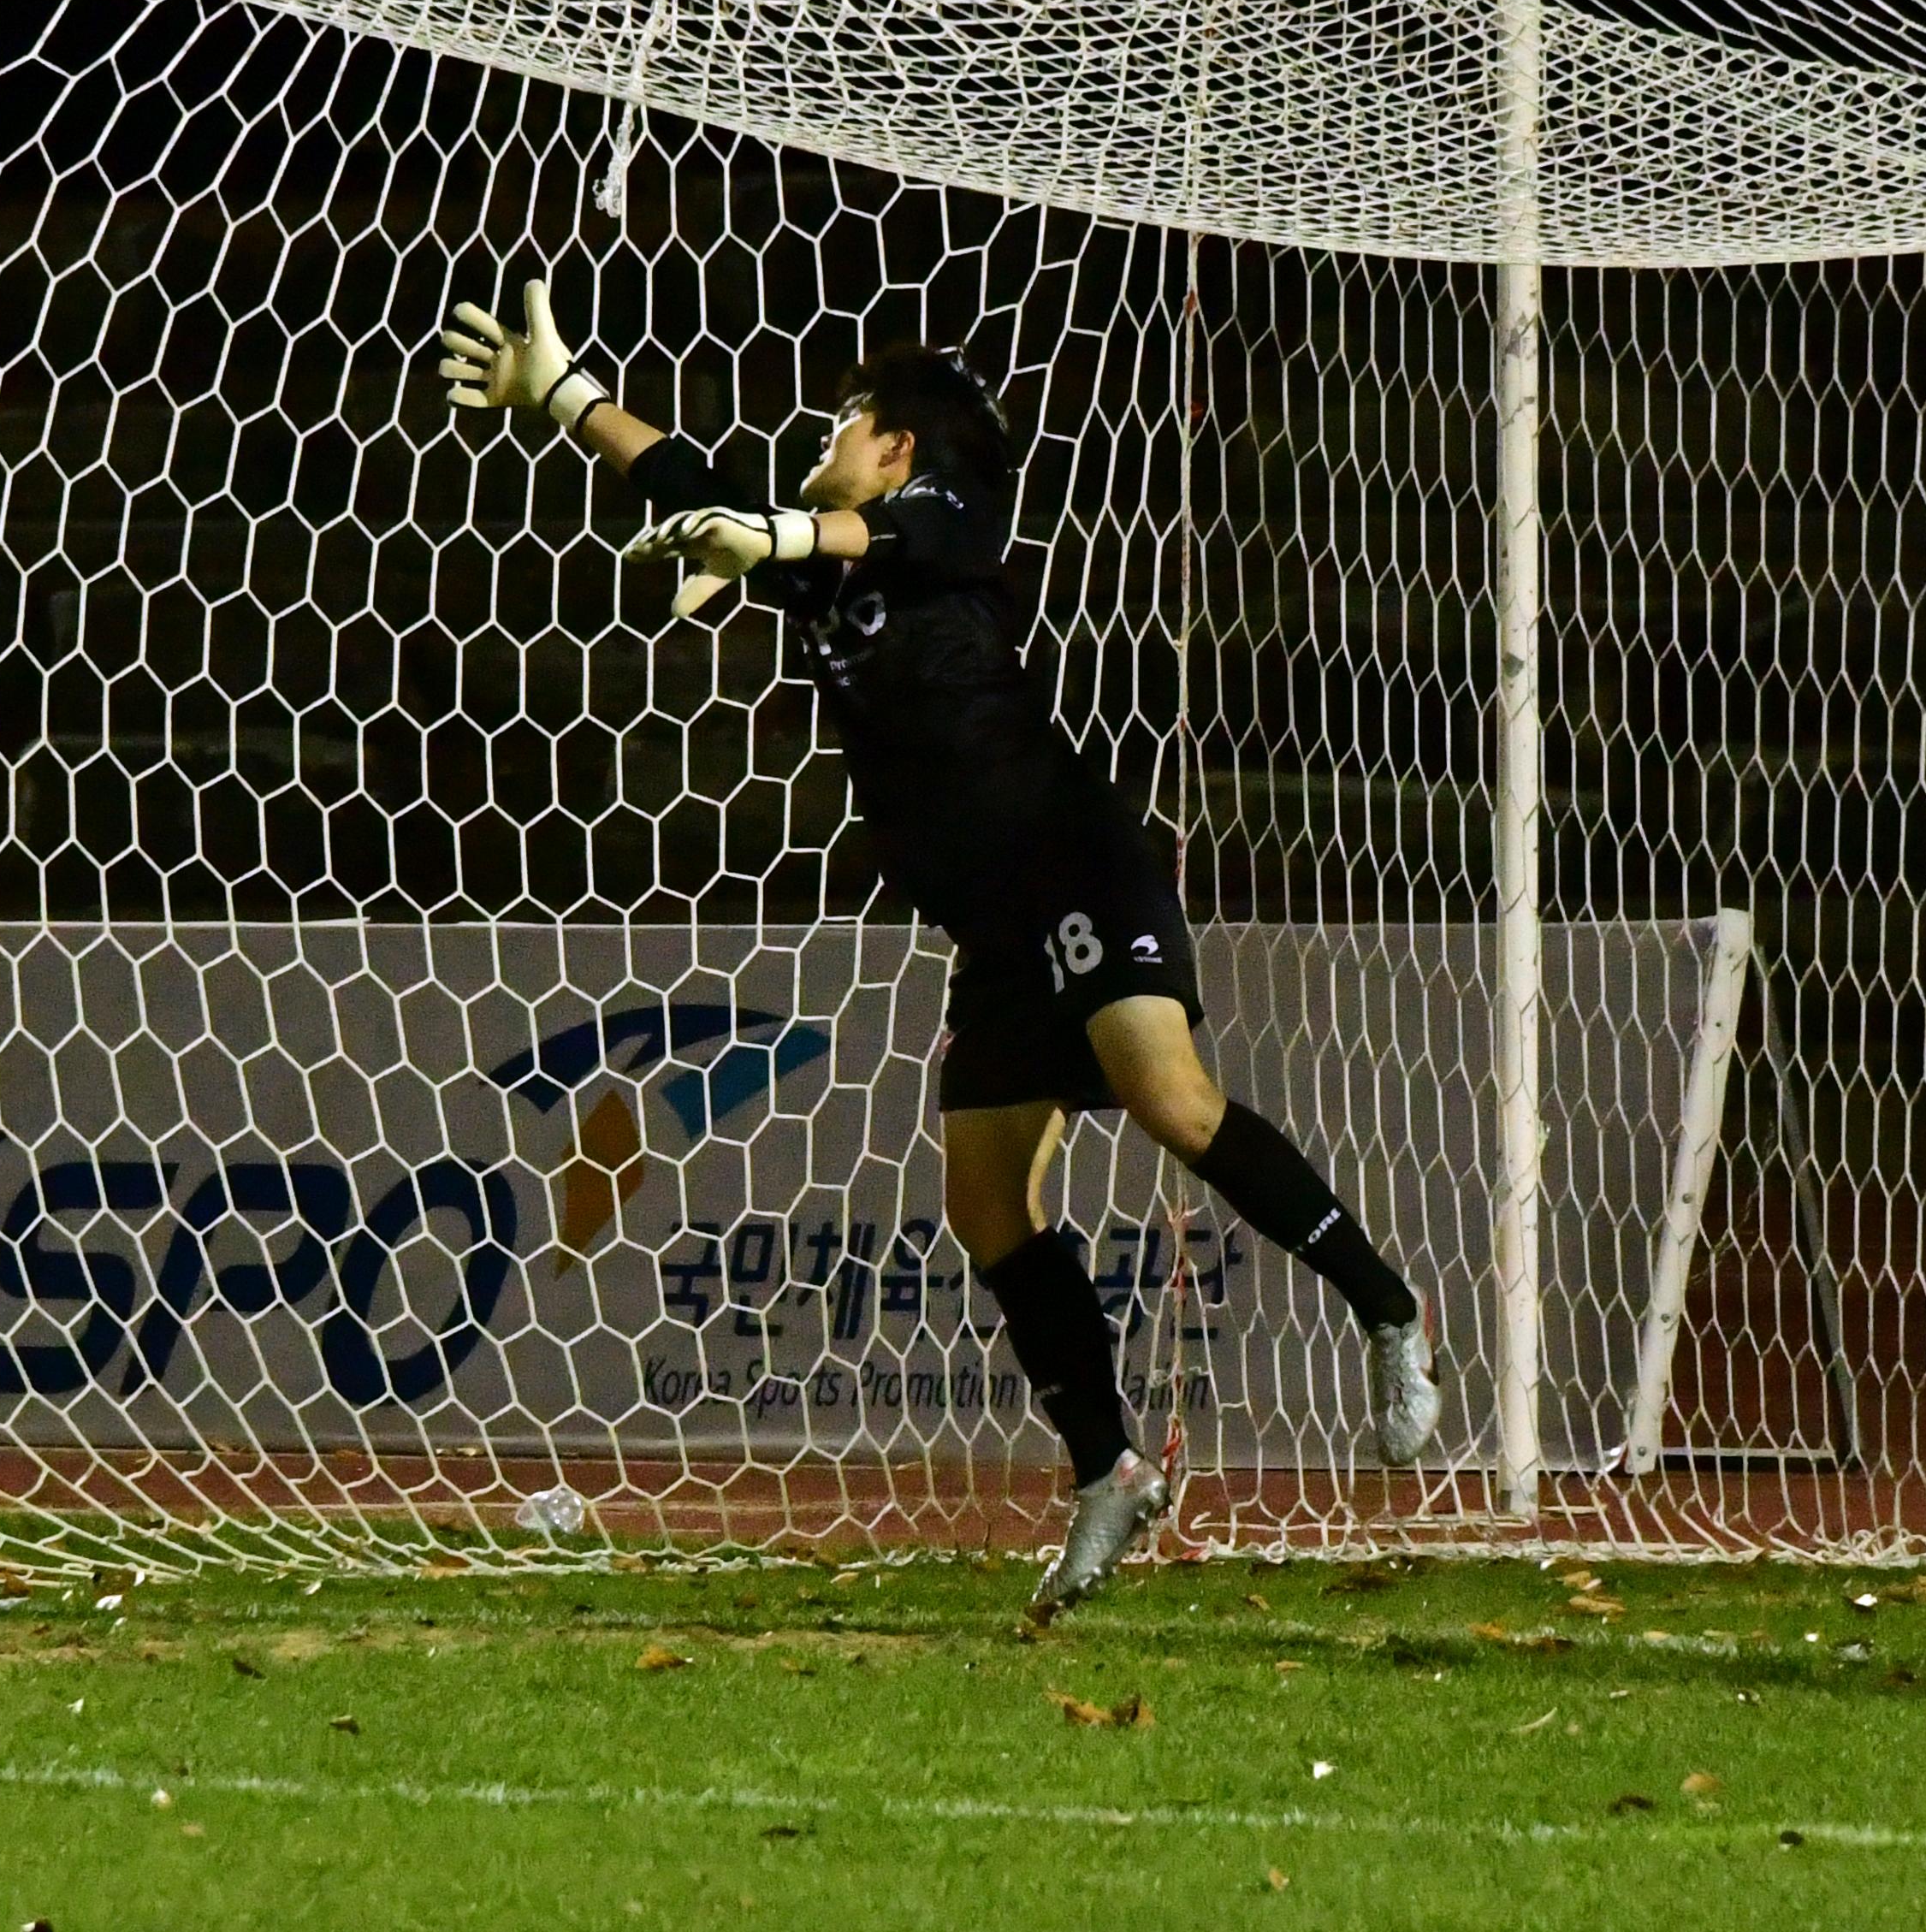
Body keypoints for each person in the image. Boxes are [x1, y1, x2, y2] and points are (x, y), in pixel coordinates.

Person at [440, 276, 1436, 1615]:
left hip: (1067, 857)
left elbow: (870, 535)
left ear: (895, 444)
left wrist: (780, 529)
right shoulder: (823, 562)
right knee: (984, 1208)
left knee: (1170, 1101)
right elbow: (692, 482)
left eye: (846, 422)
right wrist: (562, 397)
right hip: (988, 925)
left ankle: (1386, 1310)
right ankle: (1109, 1473)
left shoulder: (952, 516)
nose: (826, 438)